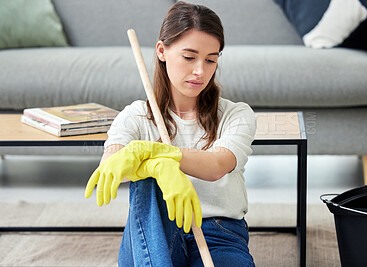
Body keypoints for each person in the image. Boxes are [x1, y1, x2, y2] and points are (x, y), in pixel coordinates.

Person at [85, 2, 256, 266]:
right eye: (189, 57)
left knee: (146, 162)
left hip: (219, 232)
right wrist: (160, 169)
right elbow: (112, 165)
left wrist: (154, 153)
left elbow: (217, 165)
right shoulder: (135, 116)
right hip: (157, 233)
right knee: (148, 180)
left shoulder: (236, 114)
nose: (201, 71)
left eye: (211, 60)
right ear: (162, 51)